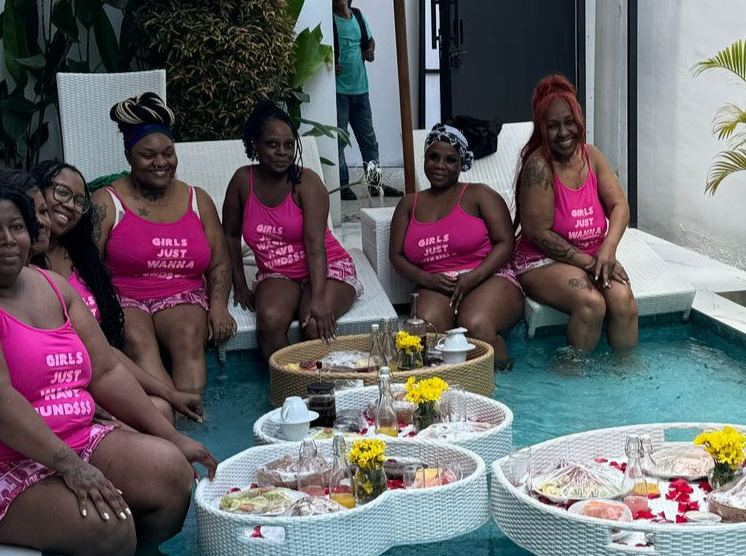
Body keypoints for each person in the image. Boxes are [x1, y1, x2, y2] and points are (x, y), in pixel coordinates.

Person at [0, 177, 216, 556]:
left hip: (71, 442)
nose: (7, 239)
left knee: (171, 473)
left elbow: (106, 370)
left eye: (16, 227)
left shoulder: (50, 284)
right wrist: (72, 467)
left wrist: (173, 438)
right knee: (108, 527)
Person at [31, 159, 204, 425]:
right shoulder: (22, 265)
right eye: (62, 192)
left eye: (79, 201)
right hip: (56, 386)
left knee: (163, 410)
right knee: (157, 422)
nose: (70, 205)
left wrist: (170, 394)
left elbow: (104, 350)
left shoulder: (83, 260)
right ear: (37, 192)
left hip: (97, 374)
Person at [93, 93, 235, 394]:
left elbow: (220, 262)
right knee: (137, 341)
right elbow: (87, 263)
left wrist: (219, 306)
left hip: (183, 294)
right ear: (129, 154)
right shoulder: (107, 202)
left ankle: (194, 422)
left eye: (168, 153)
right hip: (125, 295)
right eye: (148, 155)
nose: (161, 163)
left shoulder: (198, 199)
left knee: (187, 336)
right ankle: (167, 419)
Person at [222, 99, 362, 361]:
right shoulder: (243, 181)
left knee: (313, 323)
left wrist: (318, 298)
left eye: (289, 145)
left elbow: (315, 246)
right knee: (270, 320)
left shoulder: (306, 183)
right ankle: (288, 389)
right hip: (278, 273)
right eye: (272, 144)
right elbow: (229, 234)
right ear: (256, 145)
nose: (282, 152)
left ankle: (320, 393)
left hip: (327, 267)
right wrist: (239, 284)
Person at [513, 75, 639, 353]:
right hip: (542, 261)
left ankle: (626, 378)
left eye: (569, 122)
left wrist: (607, 251)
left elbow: (620, 206)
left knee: (624, 300)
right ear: (542, 129)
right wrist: (590, 261)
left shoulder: (592, 156)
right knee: (591, 303)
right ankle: (572, 382)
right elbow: (538, 233)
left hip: (594, 257)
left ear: (579, 120)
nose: (563, 132)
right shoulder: (538, 166)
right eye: (553, 126)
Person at [388, 124, 524, 368]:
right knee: (424, 333)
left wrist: (474, 276)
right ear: (425, 158)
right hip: (436, 284)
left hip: (488, 275)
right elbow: (396, 256)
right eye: (433, 157)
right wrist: (429, 280)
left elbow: (506, 242)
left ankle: (505, 385)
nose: (440, 165)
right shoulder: (408, 204)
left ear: (462, 163)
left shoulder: (480, 195)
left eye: (450, 160)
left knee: (476, 325)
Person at [331, 0, 383, 200]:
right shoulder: (329, 19)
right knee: (339, 141)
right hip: (339, 93)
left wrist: (370, 50)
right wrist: (331, 62)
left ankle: (374, 184)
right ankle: (343, 187)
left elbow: (370, 40)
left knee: (368, 140)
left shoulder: (358, 16)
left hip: (361, 90)